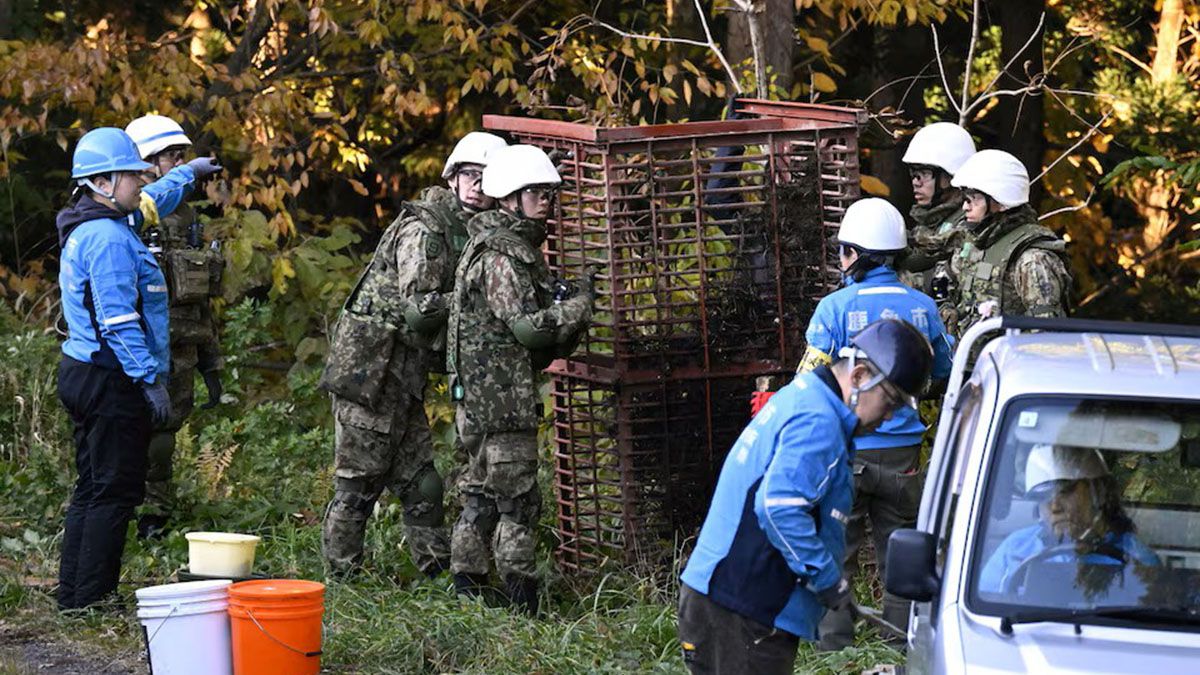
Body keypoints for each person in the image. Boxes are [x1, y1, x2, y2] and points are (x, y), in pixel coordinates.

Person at [678, 319, 934, 674]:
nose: (889, 417)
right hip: (742, 608)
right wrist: (828, 580)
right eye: (889, 402)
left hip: (731, 601)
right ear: (859, 376)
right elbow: (779, 509)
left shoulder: (808, 397)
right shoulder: (819, 421)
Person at [319, 131, 508, 578]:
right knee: (358, 482)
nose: (477, 185)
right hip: (372, 369)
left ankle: (435, 572)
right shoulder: (428, 228)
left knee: (422, 483)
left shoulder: (472, 229)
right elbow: (420, 310)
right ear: (453, 177)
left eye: (487, 177)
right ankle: (342, 577)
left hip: (404, 373)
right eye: (470, 174)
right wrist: (478, 299)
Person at [55, 127, 208, 609]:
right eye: (131, 175)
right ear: (102, 182)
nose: (141, 182)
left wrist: (186, 174)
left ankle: (74, 594)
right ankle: (91, 599)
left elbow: (153, 202)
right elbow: (117, 319)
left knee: (93, 486)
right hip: (110, 377)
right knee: (115, 491)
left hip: (87, 370)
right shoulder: (108, 239)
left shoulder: (99, 222)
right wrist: (149, 380)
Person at [797, 198, 953, 650]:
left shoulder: (833, 308)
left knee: (836, 549)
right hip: (904, 454)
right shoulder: (924, 307)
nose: (841, 259)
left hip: (847, 451)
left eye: (844, 250)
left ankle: (833, 647)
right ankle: (900, 644)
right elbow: (944, 371)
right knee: (900, 553)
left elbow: (809, 381)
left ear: (857, 254)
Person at [446, 144, 595, 612]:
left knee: (481, 495)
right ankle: (521, 606)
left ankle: (469, 594)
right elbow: (528, 330)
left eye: (549, 192)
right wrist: (579, 305)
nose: (545, 201)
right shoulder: (503, 255)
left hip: (482, 397)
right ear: (509, 197)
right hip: (500, 402)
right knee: (516, 503)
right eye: (535, 192)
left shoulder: (497, 244)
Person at [124, 114, 225, 538]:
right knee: (126, 433)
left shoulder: (186, 218)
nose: (181, 164)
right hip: (134, 347)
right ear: (147, 161)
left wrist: (211, 363)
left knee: (164, 436)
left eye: (183, 156)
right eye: (172, 156)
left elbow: (199, 297)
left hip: (181, 345)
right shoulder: (131, 214)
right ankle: (116, 509)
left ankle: (155, 516)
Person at [979, 444, 1159, 595]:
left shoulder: (1136, 558)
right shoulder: (1015, 548)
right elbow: (986, 609)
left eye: (1065, 492)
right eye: (1043, 497)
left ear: (1098, 491)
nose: (1054, 506)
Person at [946, 149, 1071, 336]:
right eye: (965, 199)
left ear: (1000, 202)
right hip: (969, 353)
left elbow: (1046, 336)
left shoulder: (1032, 259)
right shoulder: (975, 243)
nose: (965, 207)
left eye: (974, 199)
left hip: (1009, 354)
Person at [897, 122, 976, 297]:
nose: (916, 182)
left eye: (925, 173)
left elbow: (918, 263)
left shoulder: (967, 220)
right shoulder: (932, 218)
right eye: (914, 174)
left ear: (950, 176)